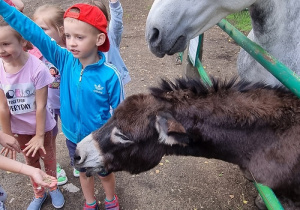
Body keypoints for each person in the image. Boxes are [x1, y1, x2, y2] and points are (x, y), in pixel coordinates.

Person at [0, 1, 124, 210]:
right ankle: (90, 202)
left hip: (98, 139)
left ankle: (111, 199)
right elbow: (30, 30)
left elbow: (122, 115)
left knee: (105, 173)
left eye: (79, 37)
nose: (71, 43)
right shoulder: (64, 59)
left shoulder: (110, 75)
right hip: (74, 137)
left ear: (99, 38)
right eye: (68, 36)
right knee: (83, 172)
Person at [0, 15, 65, 210]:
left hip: (41, 128)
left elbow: (40, 106)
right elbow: (3, 106)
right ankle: (39, 192)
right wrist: (6, 134)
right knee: (30, 162)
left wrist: (38, 135)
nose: (1, 50)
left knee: (49, 158)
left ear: (22, 42)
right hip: (19, 130)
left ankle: (53, 187)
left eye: (5, 44)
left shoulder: (38, 68)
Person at [28, 4, 69, 185]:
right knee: (49, 137)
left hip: (69, 103)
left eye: (43, 29)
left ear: (61, 30)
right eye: (36, 29)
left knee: (72, 133)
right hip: (48, 104)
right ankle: (54, 166)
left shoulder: (71, 52)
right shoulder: (35, 53)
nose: (38, 33)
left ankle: (77, 159)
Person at [0, 132, 57, 210]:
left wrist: (33, 171)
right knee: (30, 159)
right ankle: (39, 194)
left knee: (48, 156)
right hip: (19, 132)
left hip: (42, 130)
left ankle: (53, 189)